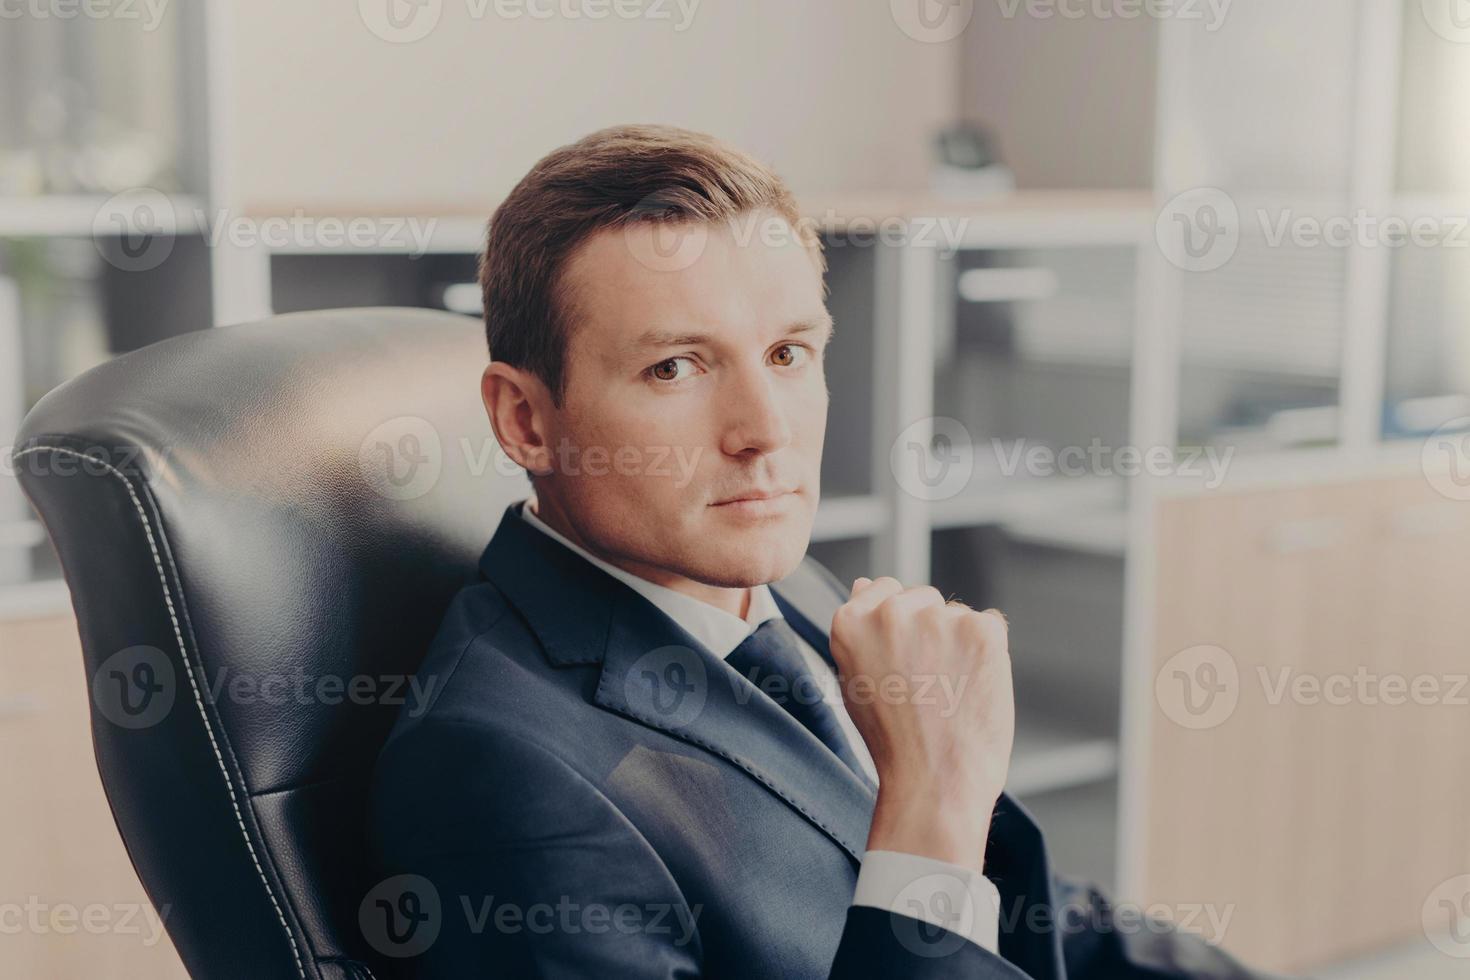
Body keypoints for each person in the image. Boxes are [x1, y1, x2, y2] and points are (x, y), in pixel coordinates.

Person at [368, 123, 1274, 978]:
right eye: (675, 367)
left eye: (790, 353)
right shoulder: (493, 772)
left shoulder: (778, 581)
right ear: (525, 419)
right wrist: (930, 806)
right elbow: (938, 868)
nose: (766, 431)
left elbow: (1040, 921)